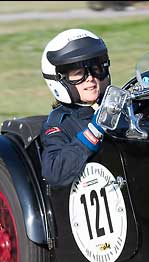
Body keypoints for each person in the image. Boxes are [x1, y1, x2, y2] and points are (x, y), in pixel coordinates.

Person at [40, 29, 112, 188]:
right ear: (60, 80)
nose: (91, 78)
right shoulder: (58, 124)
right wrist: (92, 134)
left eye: (96, 69)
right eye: (79, 74)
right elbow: (53, 173)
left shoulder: (117, 104)